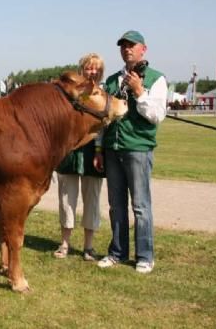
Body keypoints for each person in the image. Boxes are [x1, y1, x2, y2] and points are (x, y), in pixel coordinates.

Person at [97, 30, 167, 273]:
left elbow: (156, 116)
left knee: (140, 205)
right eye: (123, 46)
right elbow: (103, 118)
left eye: (132, 45)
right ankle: (117, 252)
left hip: (138, 148)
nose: (127, 49)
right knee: (116, 205)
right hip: (112, 148)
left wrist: (139, 91)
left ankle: (145, 256)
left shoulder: (156, 79)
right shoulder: (113, 80)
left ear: (143, 49)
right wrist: (99, 148)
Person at [53, 53, 105, 261]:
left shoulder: (103, 94)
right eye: (88, 67)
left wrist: (100, 152)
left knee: (92, 198)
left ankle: (88, 246)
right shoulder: (70, 93)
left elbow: (102, 125)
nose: (92, 71)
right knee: (67, 197)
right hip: (71, 151)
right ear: (81, 69)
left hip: (94, 151)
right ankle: (64, 243)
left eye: (96, 68)